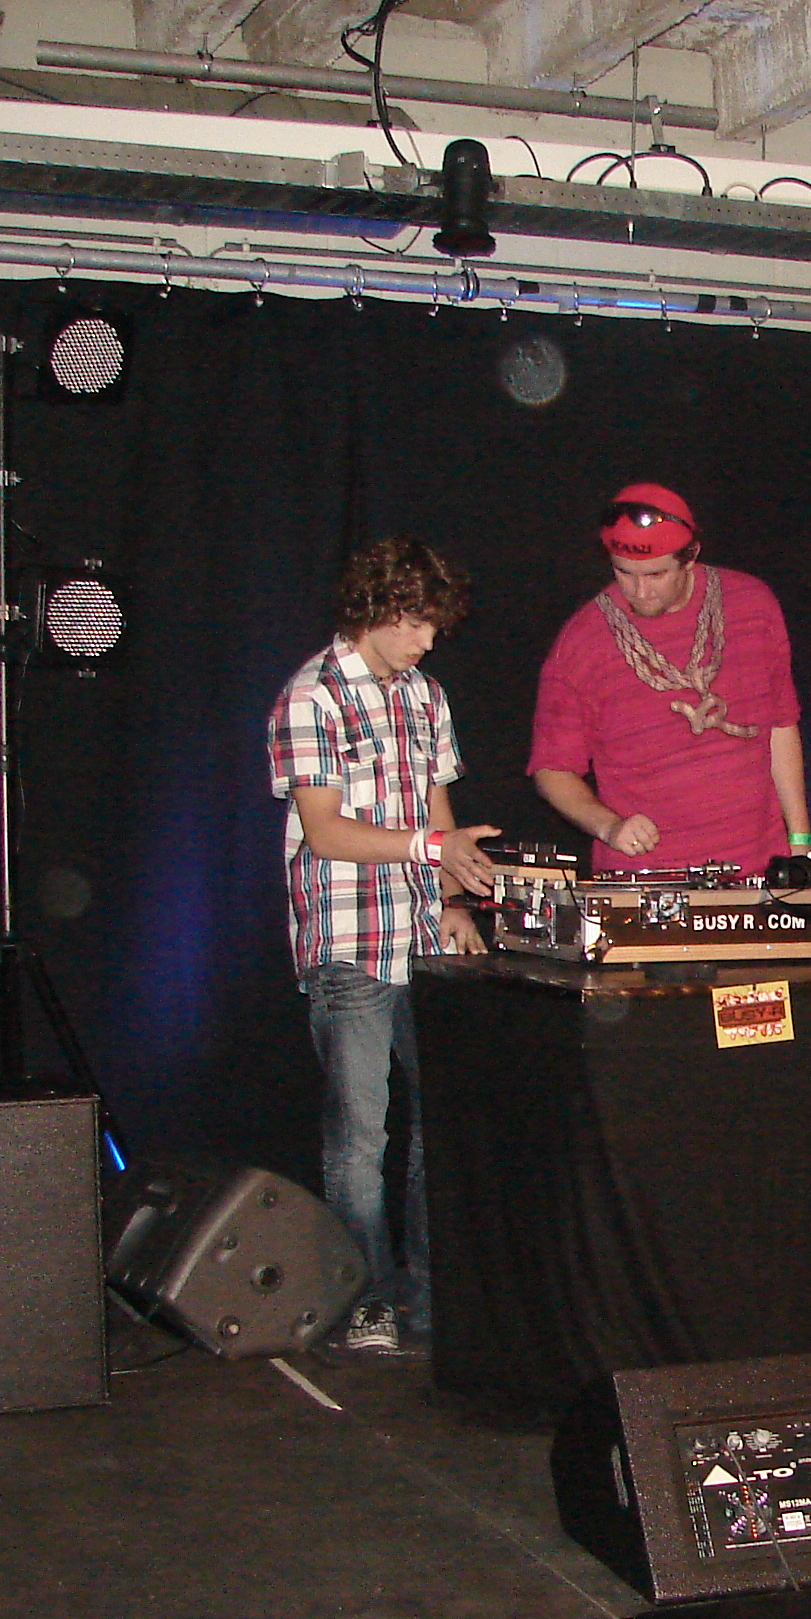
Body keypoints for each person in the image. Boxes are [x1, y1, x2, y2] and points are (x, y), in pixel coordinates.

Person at [266, 535, 498, 1361]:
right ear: (376, 609)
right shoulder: (311, 696)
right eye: (416, 623)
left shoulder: (425, 695)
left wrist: (455, 897)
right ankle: (364, 1302)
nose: (427, 642)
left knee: (439, 1127)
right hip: (347, 943)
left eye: (435, 626)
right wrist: (431, 850)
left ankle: (430, 1300)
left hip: (421, 941)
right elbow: (326, 832)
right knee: (360, 1143)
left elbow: (438, 811)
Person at [529, 484, 811, 876]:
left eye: (656, 574)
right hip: (647, 880)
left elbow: (780, 725)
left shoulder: (753, 604)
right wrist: (609, 827)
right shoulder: (581, 641)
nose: (640, 591)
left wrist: (800, 842)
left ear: (690, 556)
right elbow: (551, 769)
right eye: (624, 573)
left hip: (760, 867)